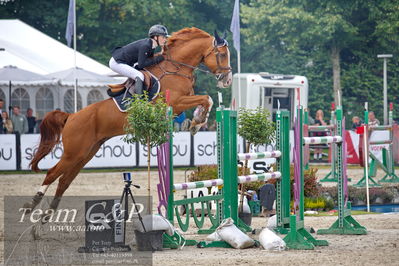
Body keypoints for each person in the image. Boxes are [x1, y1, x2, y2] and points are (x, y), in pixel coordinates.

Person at [109, 25, 169, 96]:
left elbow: (147, 61)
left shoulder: (151, 45)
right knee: (139, 75)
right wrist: (159, 58)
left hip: (126, 62)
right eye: (163, 37)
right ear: (155, 37)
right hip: (117, 62)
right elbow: (142, 64)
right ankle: (139, 101)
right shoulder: (146, 45)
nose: (165, 39)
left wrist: (160, 54)